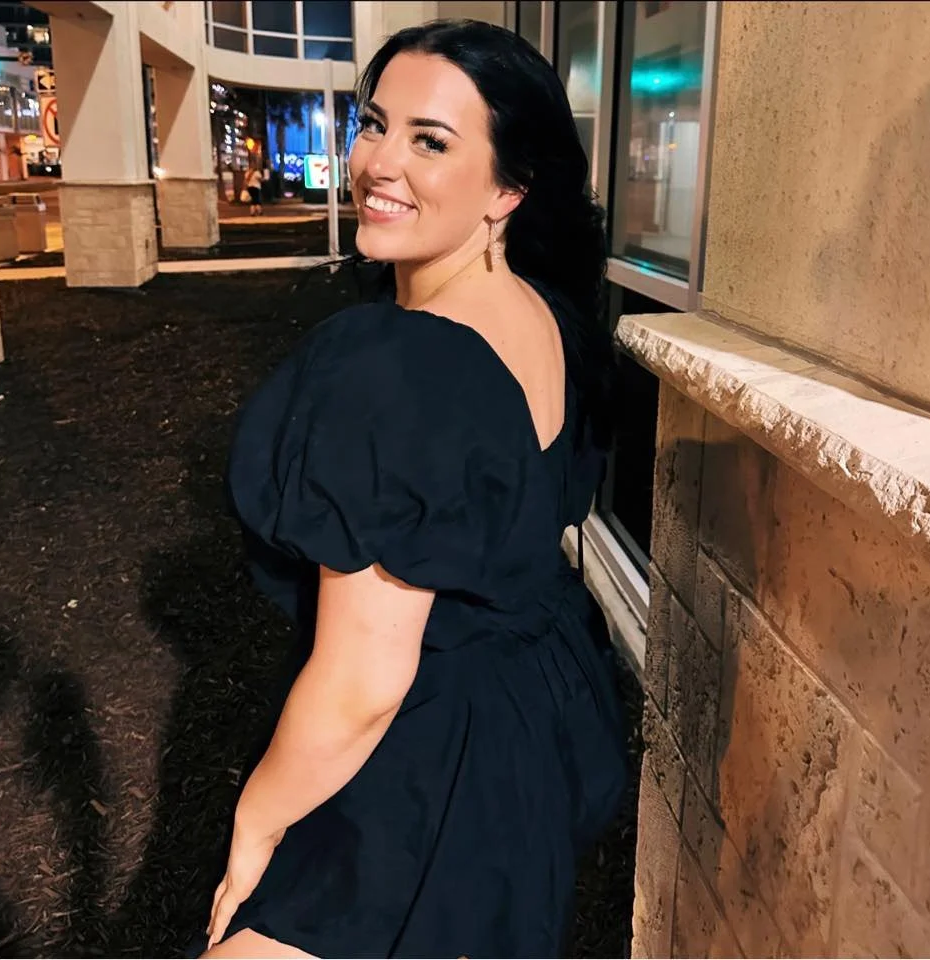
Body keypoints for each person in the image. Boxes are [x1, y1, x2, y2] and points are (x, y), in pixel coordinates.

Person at [202, 19, 627, 959]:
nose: (379, 163)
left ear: (508, 187)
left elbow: (364, 679)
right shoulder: (545, 317)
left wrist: (258, 818)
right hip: (532, 719)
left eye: (431, 142)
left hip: (425, 755)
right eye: (374, 124)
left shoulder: (395, 365)